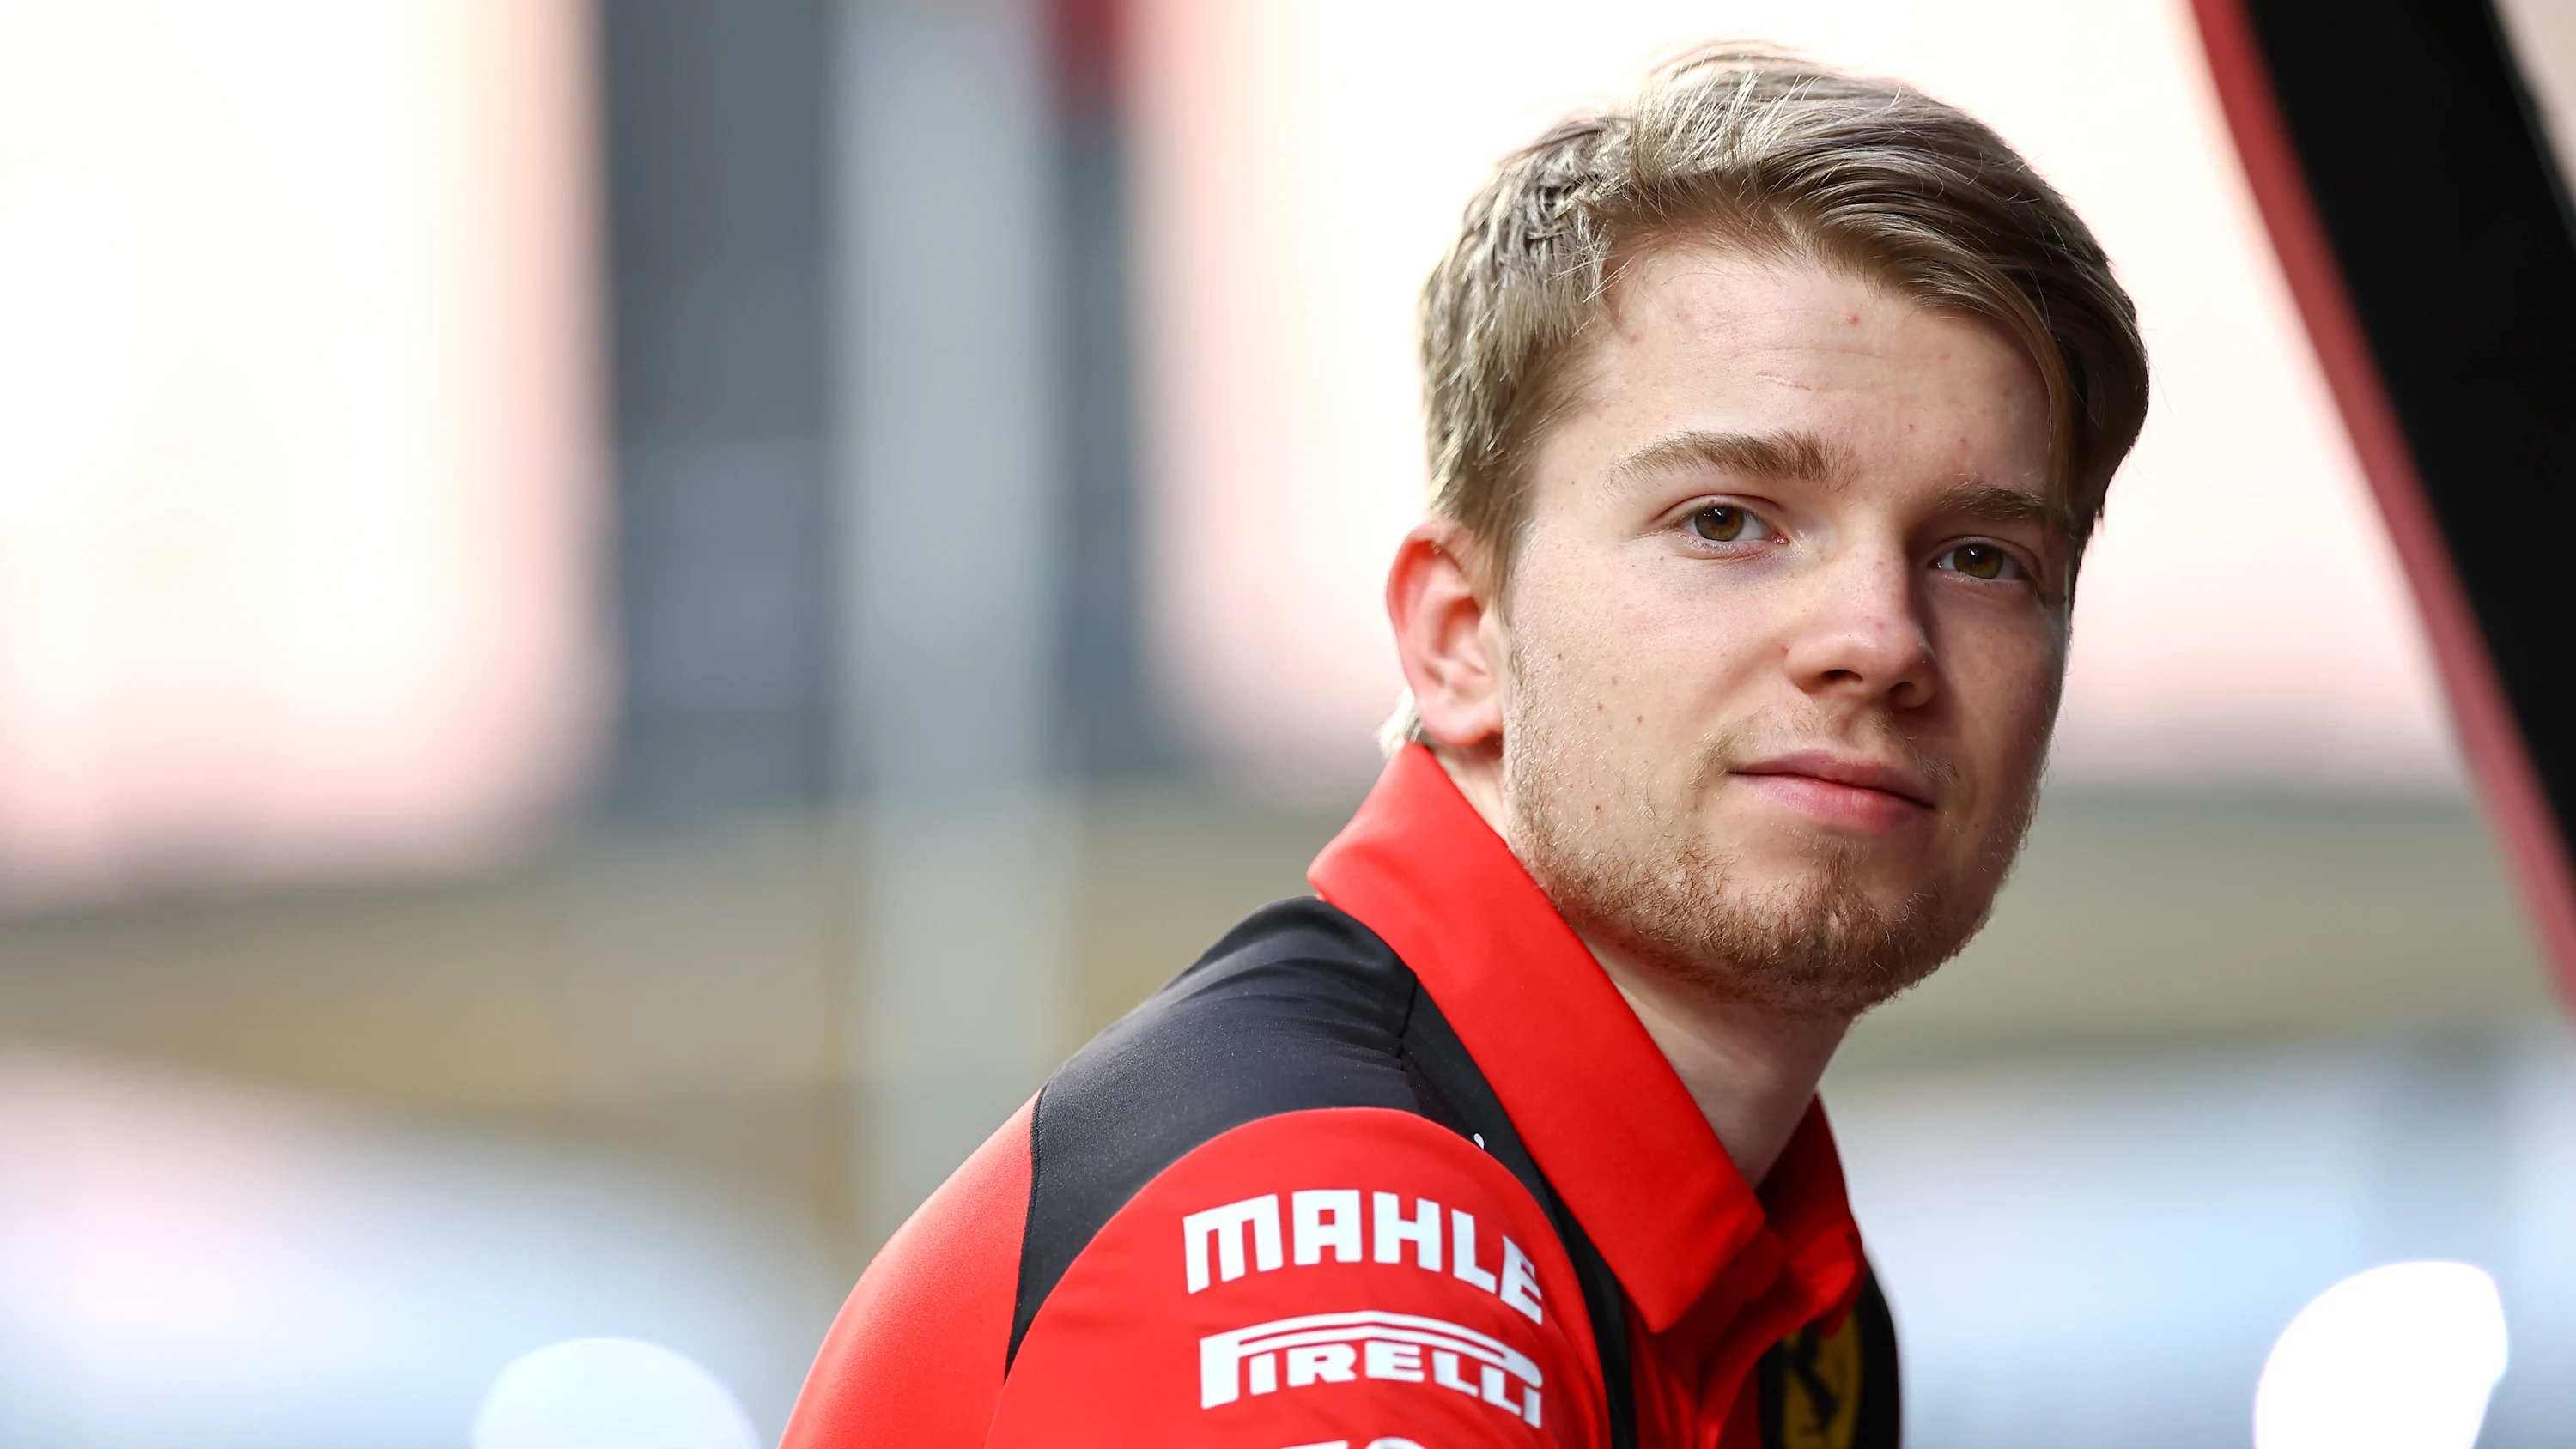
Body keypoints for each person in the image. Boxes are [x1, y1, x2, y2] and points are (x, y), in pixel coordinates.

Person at [782, 47, 2147, 1449]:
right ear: (1459, 636)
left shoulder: (1785, 1293)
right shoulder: (1340, 1269)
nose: (1881, 638)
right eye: (1728, 521)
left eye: (1982, 556)